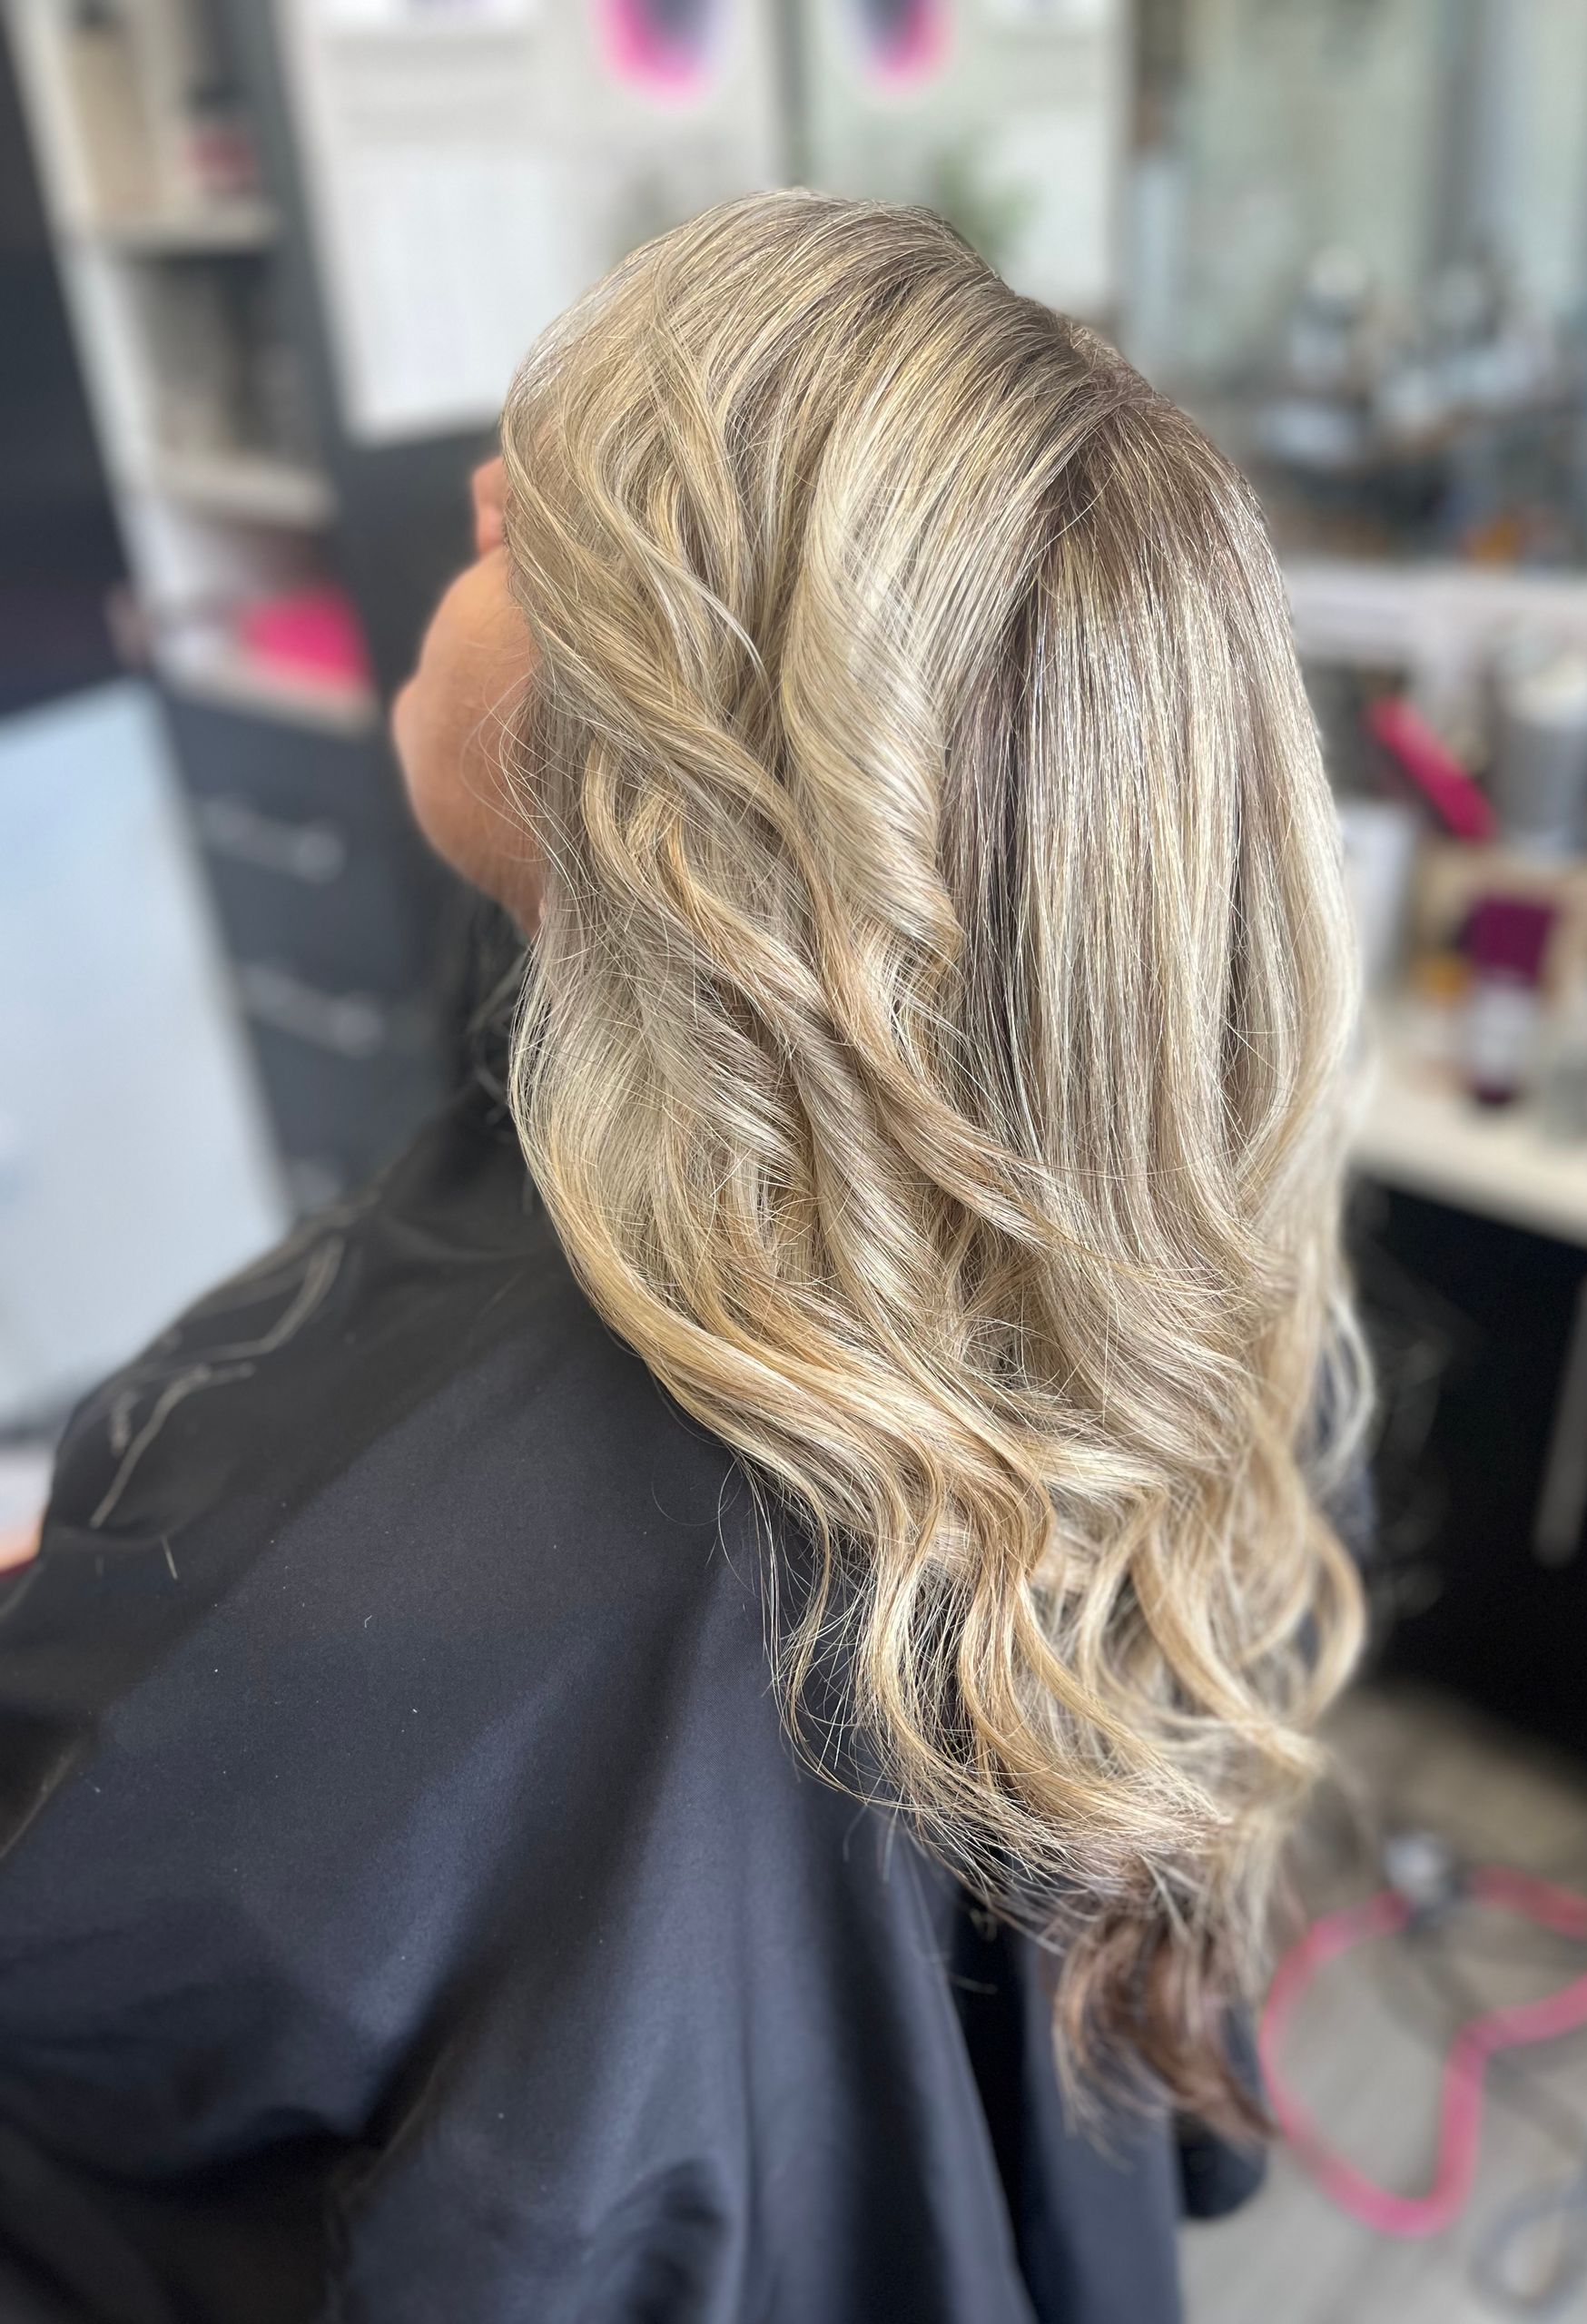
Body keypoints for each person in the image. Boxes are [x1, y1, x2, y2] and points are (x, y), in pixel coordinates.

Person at [0, 192, 1367, 2323]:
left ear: (661, 786)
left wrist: (128, 1626)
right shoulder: (1175, 1321)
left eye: (524, 520)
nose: (470, 490)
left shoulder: (321, 1590)